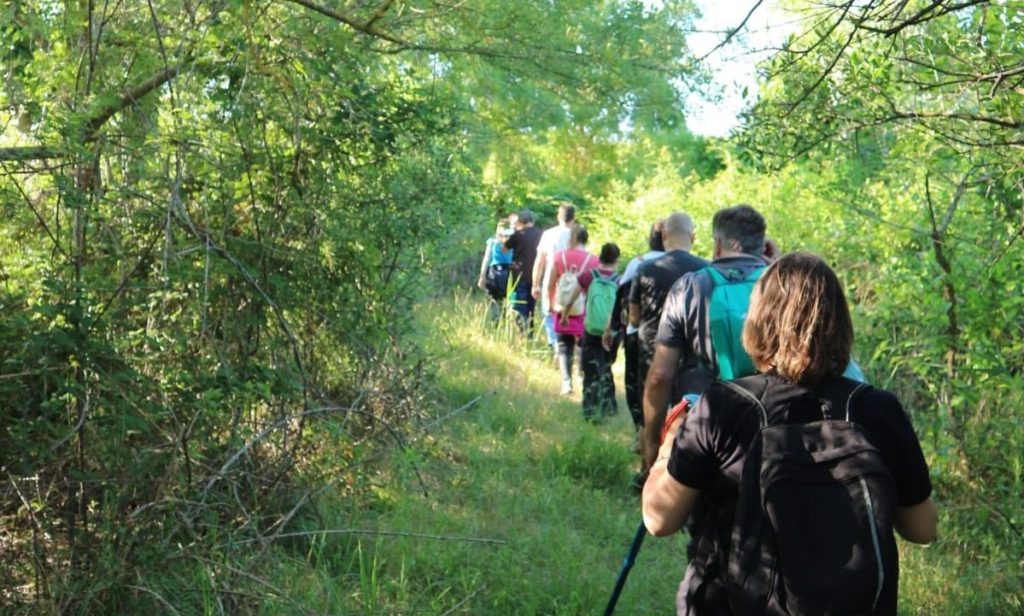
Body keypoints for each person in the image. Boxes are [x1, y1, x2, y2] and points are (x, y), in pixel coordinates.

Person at [642, 252, 938, 615]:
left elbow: (659, 519)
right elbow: (922, 528)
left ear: (757, 322)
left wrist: (669, 445)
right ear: (840, 324)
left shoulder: (723, 406)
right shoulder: (879, 409)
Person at [641, 204, 766, 471]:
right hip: (770, 429)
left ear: (718, 244)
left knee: (665, 500)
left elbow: (660, 376)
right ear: (762, 245)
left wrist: (652, 441)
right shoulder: (784, 285)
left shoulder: (689, 287)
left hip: (702, 427)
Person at [630, 212, 708, 467]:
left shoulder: (645, 268)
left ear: (663, 234)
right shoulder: (706, 270)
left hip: (651, 349)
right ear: (693, 237)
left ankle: (647, 469)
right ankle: (678, 470)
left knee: (650, 415)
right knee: (686, 410)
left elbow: (634, 317)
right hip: (692, 353)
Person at [607, 222, 665, 439]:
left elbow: (621, 295)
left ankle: (640, 429)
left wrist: (612, 327)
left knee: (636, 382)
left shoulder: (638, 263)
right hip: (673, 335)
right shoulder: (684, 264)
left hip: (638, 333)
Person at [564, 242, 620, 420]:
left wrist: (565, 314)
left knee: (590, 369)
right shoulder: (619, 280)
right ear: (616, 260)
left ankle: (589, 409)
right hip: (612, 332)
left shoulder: (589, 275)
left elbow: (571, 298)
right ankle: (609, 407)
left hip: (591, 330)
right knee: (607, 366)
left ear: (600, 257)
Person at [549, 224, 596, 395]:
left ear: (572, 238)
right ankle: (582, 377)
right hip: (583, 307)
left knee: (564, 344)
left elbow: (551, 283)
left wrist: (551, 302)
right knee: (583, 344)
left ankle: (566, 382)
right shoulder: (593, 260)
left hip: (562, 307)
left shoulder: (559, 256)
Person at [532, 203, 575, 355]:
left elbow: (539, 262)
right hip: (572, 283)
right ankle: (566, 350)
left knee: (549, 313)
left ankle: (555, 347)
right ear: (573, 218)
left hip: (551, 281)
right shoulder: (577, 235)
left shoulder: (548, 234)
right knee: (570, 315)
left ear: (558, 216)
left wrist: (535, 284)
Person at [504, 209, 543, 330]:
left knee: (520, 305)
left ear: (521, 221)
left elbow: (504, 249)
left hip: (518, 274)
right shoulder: (540, 234)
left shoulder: (517, 235)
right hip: (535, 274)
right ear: (532, 220)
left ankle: (522, 332)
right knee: (531, 305)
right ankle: (530, 331)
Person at [477, 218, 515, 318]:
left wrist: (482, 276)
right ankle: (503, 319)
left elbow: (487, 259)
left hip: (496, 273)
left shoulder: (493, 242)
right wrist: (482, 277)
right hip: (505, 272)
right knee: (506, 300)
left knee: (496, 302)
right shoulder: (511, 242)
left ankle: (498, 320)